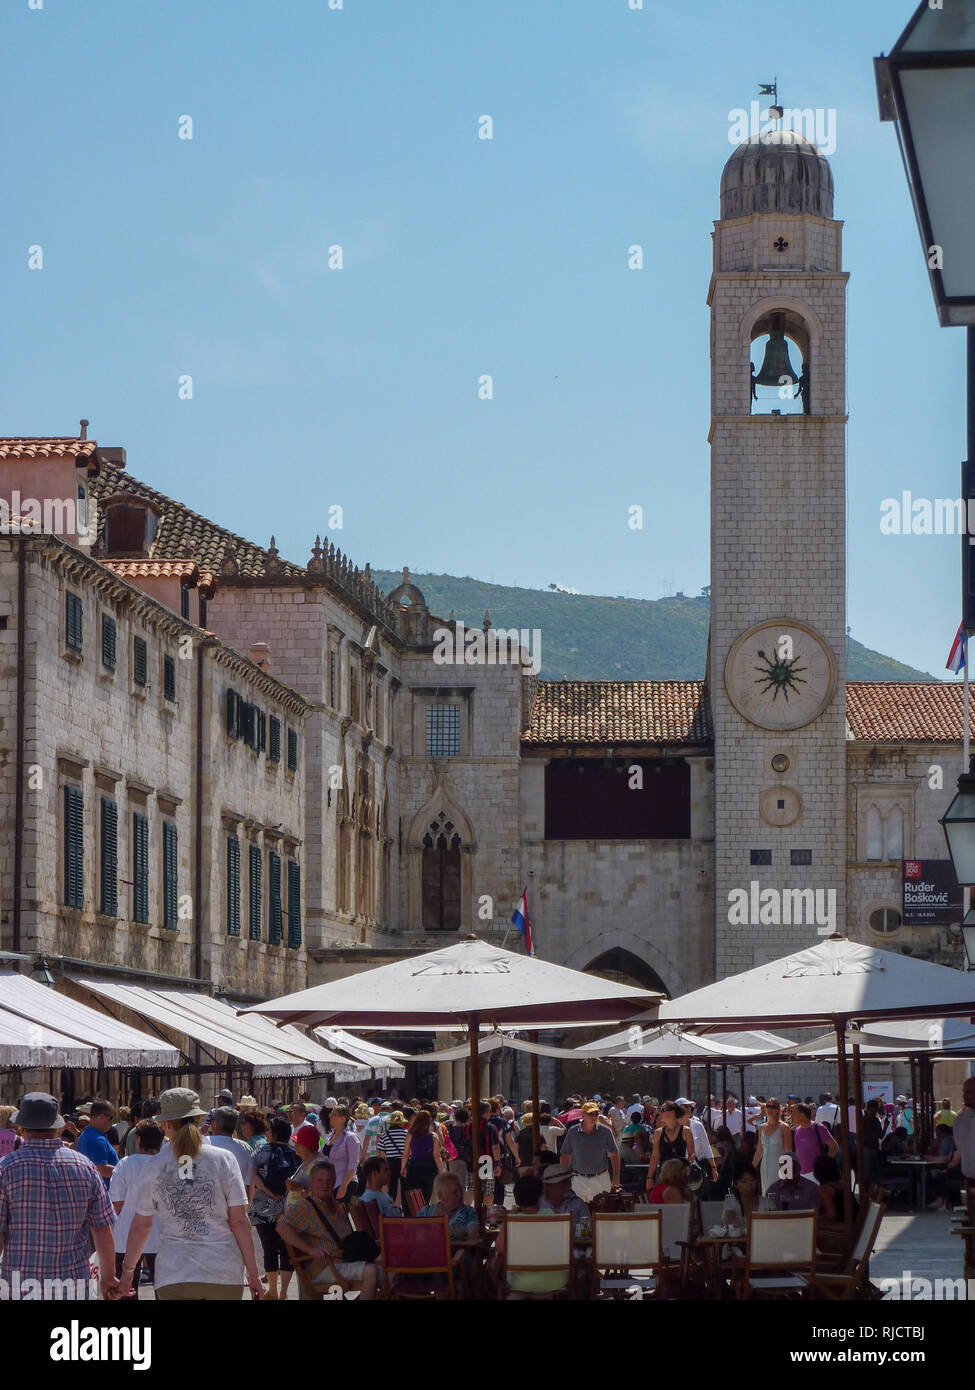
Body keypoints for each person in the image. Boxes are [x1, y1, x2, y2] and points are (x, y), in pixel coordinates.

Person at [119, 1088, 261, 1301]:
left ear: (166, 1124)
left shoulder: (154, 1166)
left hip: (175, 1273)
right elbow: (239, 1221)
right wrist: (254, 1274)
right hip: (224, 1272)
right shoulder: (225, 1160)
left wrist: (128, 1272)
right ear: (198, 1119)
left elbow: (142, 1226)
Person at [0, 1092, 119, 1300]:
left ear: (21, 1128)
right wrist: (108, 1276)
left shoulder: (6, 1169)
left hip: (20, 1287)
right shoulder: (85, 1167)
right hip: (72, 1286)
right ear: (58, 1128)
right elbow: (103, 1229)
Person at [276, 1158, 380, 1299]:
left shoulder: (336, 1206)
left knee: (390, 1269)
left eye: (329, 1180)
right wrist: (310, 1250)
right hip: (324, 1267)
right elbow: (281, 1227)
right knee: (371, 1271)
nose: (325, 1185)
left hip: (345, 1261)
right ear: (311, 1183)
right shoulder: (304, 1206)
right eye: (320, 1180)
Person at [109, 1119, 163, 1295]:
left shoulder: (125, 1164)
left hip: (126, 1234)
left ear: (138, 1140)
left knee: (126, 1290)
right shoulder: (165, 1164)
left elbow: (117, 1203)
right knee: (162, 1290)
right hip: (159, 1236)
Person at [251, 1115, 302, 1301]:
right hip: (288, 1209)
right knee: (287, 1249)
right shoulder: (295, 1152)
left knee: (269, 1249)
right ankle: (284, 1293)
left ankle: (272, 1291)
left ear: (272, 1133)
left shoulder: (261, 1150)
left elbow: (252, 1175)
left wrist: (267, 1191)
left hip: (264, 1206)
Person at [496, 1174, 570, 1299]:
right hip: (556, 1281)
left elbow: (500, 1248)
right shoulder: (555, 1217)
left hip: (523, 1284)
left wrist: (507, 1219)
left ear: (517, 1199)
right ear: (540, 1196)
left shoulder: (513, 1221)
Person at [559, 1101, 620, 1203]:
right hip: (579, 1180)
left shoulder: (605, 1131)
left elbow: (614, 1154)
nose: (594, 1116)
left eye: (596, 1113)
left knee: (601, 1214)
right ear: (583, 1115)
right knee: (579, 1214)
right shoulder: (572, 1132)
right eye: (591, 1114)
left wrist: (616, 1177)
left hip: (601, 1178)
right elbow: (565, 1156)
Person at [647, 1101, 695, 1198]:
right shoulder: (658, 1133)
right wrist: (649, 1178)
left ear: (672, 1112)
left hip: (680, 1178)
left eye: (662, 1110)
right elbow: (655, 1156)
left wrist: (685, 1169)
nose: (660, 1113)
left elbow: (692, 1154)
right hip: (663, 1177)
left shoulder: (686, 1131)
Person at [418, 1169, 479, 1241]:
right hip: (429, 1251)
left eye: (460, 1190)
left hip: (458, 1251)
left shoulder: (468, 1212)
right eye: (454, 1192)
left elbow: (473, 1237)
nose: (459, 1194)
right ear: (440, 1196)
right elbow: (415, 1234)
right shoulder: (426, 1212)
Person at [401, 1108, 445, 1205]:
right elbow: (437, 1156)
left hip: (414, 1167)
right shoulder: (434, 1136)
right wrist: (442, 1171)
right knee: (426, 1195)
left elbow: (405, 1154)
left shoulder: (410, 1134)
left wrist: (403, 1167)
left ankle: (416, 1216)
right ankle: (424, 1216)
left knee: (414, 1197)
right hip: (429, 1168)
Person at [208, 1106, 256, 1193]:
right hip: (236, 1203)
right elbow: (249, 1187)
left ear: (214, 1124)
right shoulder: (245, 1149)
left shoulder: (203, 1144)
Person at [753, 1098, 793, 1196]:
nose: (770, 1109)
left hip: (779, 1167)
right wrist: (751, 1168)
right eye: (768, 1106)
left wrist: (787, 1174)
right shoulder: (761, 1127)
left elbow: (788, 1152)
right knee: (766, 1195)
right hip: (765, 1166)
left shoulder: (784, 1127)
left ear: (778, 1109)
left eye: (773, 1107)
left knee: (780, 1196)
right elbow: (759, 1150)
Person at [322, 1104, 361, 1204]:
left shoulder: (351, 1137)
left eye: (334, 1114)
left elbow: (353, 1164)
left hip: (344, 1183)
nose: (330, 1116)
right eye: (331, 1114)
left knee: (339, 1217)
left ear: (343, 1118)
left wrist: (344, 1186)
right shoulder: (330, 1136)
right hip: (331, 1182)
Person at [75, 1099, 118, 1188]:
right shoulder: (97, 1139)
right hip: (104, 1193)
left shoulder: (85, 1135)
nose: (112, 1122)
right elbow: (101, 1169)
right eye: (111, 1118)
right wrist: (125, 1171)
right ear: (101, 1117)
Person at [538, 1164, 589, 1234]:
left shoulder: (578, 1204)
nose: (569, 1187)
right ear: (548, 1186)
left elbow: (587, 1234)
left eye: (569, 1182)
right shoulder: (537, 1204)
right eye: (564, 1184)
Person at [791, 1102, 838, 1179]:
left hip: (817, 1175)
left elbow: (834, 1147)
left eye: (795, 1113)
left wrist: (825, 1165)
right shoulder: (796, 1130)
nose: (792, 1116)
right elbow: (798, 1151)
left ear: (803, 1116)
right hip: (801, 1175)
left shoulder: (819, 1128)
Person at [948, 1077, 975, 1187]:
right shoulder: (960, 1120)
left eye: (969, 1092)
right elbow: (961, 1149)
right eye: (964, 1092)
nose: (964, 1096)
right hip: (970, 1181)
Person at [379, 1110, 409, 1203]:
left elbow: (381, 1152)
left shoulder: (385, 1134)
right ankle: (407, 1209)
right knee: (406, 1187)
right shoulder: (407, 1133)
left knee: (392, 1188)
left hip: (391, 1163)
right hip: (404, 1163)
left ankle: (391, 1210)